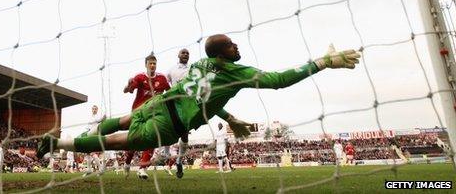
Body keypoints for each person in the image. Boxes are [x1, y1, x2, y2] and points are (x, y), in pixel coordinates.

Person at [37, 34, 360, 169]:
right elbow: (279, 81)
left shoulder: (202, 65)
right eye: (231, 45)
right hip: (170, 122)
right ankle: (59, 144)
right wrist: (322, 63)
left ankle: (65, 140)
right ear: (223, 53)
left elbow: (205, 97)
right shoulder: (237, 73)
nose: (236, 46)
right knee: (118, 140)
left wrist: (230, 118)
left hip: (160, 103)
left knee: (122, 120)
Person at [123, 54, 170, 180]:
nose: (153, 65)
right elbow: (127, 90)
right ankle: (127, 162)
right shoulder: (140, 77)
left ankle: (142, 168)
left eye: (154, 63)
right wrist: (128, 86)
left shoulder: (162, 79)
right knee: (134, 140)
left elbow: (170, 93)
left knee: (153, 138)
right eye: (150, 63)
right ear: (146, 65)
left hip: (153, 113)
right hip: (138, 113)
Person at [166, 48, 191, 179]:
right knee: (169, 130)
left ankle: (179, 162)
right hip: (174, 103)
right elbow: (165, 83)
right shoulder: (171, 70)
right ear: (178, 55)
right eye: (183, 52)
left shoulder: (192, 68)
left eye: (187, 53)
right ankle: (165, 153)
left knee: (185, 136)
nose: (185, 54)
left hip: (187, 103)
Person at [83, 105, 105, 177]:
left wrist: (104, 116)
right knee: (88, 153)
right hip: (88, 135)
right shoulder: (90, 117)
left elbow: (102, 119)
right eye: (93, 109)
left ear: (97, 110)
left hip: (94, 135)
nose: (94, 110)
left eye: (95, 109)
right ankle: (89, 170)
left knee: (92, 153)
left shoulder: (97, 117)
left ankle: (101, 169)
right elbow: (87, 127)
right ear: (91, 109)